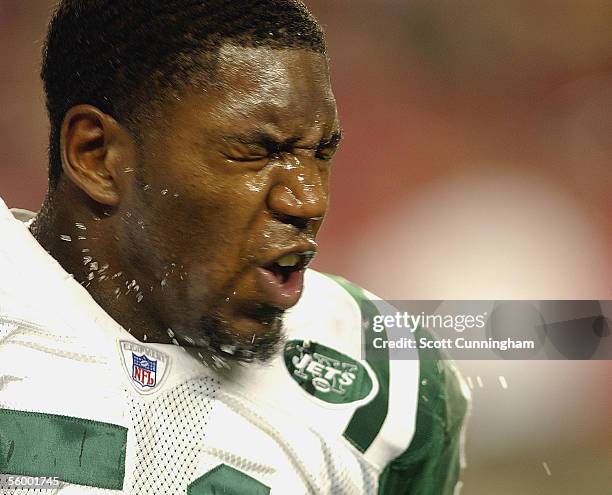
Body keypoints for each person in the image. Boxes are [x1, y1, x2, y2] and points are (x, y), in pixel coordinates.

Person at [0, 1, 468, 493]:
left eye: (322, 153)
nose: (310, 200)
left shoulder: (384, 380)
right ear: (96, 155)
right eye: (257, 152)